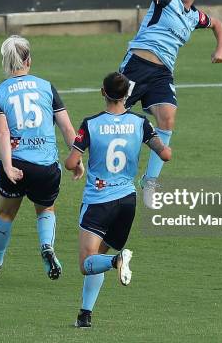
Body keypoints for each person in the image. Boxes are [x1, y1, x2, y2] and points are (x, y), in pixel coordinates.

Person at [91, 0, 222, 207]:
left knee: (168, 119)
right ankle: (98, 175)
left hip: (162, 74)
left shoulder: (195, 17)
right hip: (136, 66)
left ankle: (150, 182)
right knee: (114, 121)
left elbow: (217, 24)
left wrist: (220, 48)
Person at [65, 72, 171, 327]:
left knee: (86, 262)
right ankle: (85, 314)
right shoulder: (140, 123)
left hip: (99, 200)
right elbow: (165, 154)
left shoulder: (91, 123)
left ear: (103, 92)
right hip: (127, 202)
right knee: (97, 256)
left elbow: (71, 162)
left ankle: (117, 261)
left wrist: (77, 163)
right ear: (127, 95)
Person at [0, 35, 84, 280]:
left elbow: (2, 132)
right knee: (46, 209)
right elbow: (67, 128)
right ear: (28, 59)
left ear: (5, 62)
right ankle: (47, 248)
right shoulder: (46, 86)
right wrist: (76, 158)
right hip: (46, 166)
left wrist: (8, 167)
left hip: (16, 164)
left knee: (6, 213)